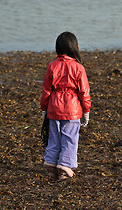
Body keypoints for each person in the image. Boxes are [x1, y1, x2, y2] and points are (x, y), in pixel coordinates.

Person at [40, 32, 91, 180]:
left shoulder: (52, 66)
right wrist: (86, 110)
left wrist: (44, 108)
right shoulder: (78, 68)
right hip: (72, 110)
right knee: (70, 139)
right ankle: (65, 166)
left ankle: (50, 163)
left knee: (54, 138)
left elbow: (46, 91)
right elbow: (84, 92)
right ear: (75, 48)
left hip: (53, 108)